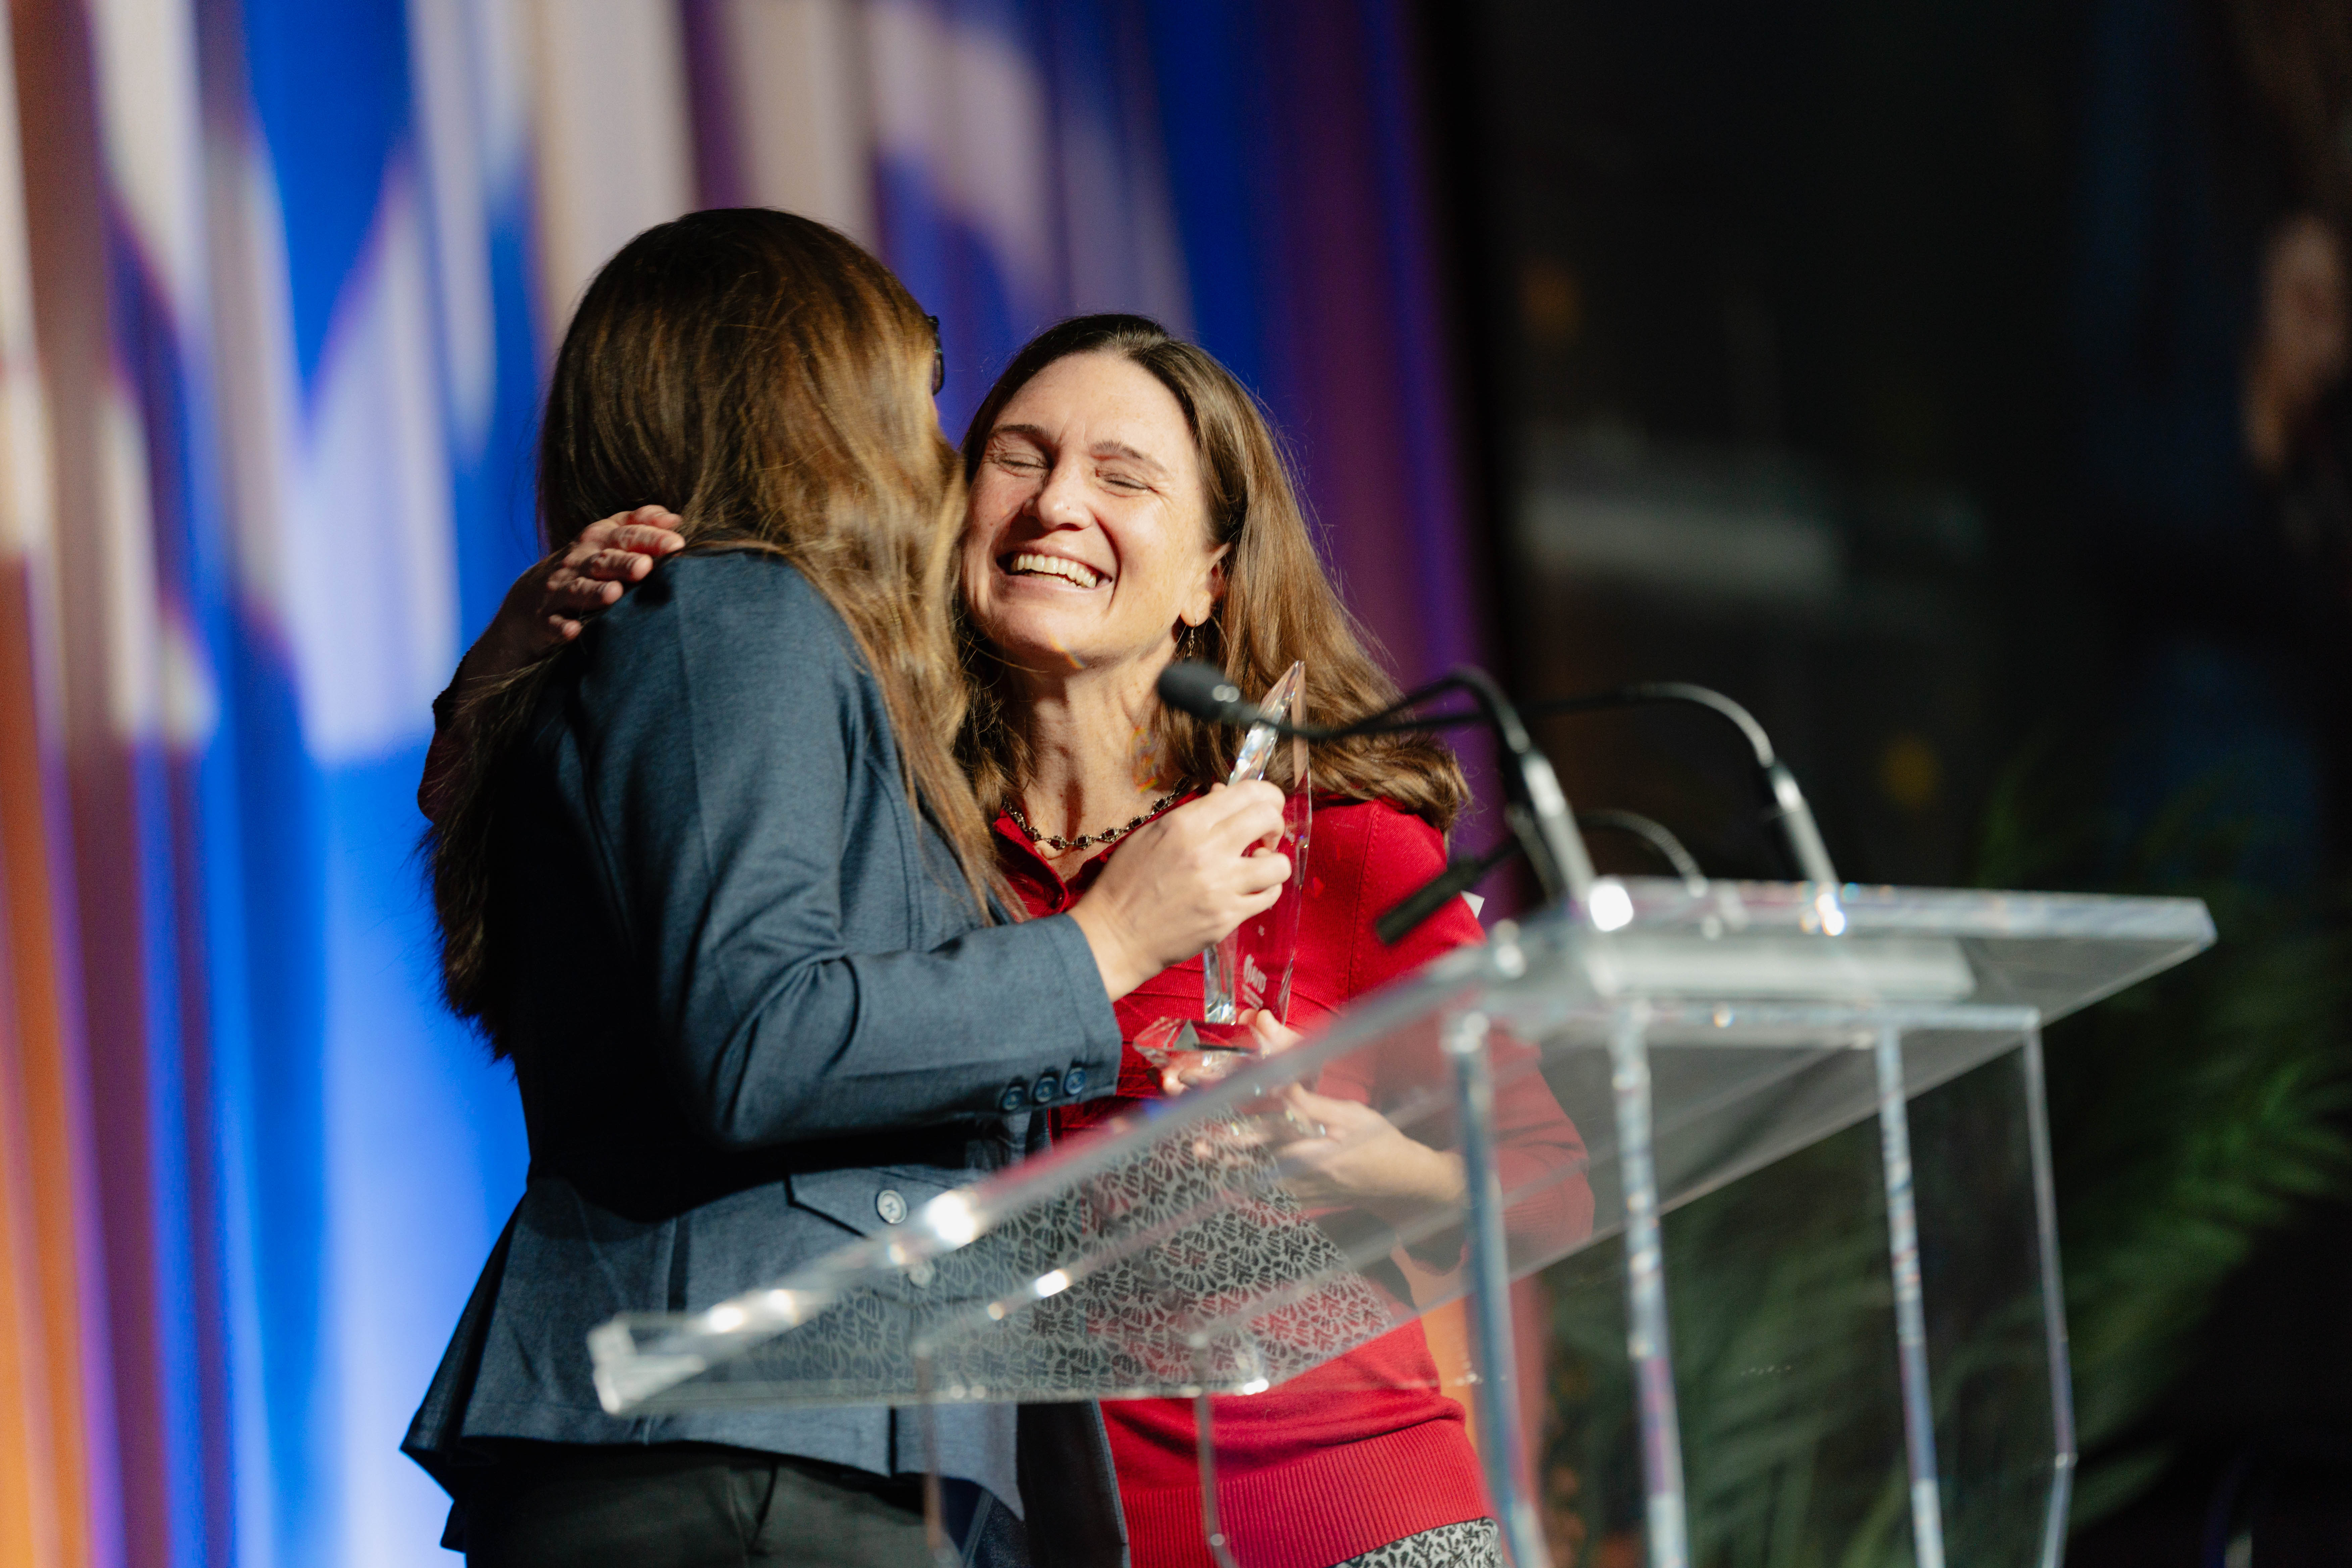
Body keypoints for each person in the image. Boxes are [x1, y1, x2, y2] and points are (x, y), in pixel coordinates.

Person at [439, 311, 1593, 1568]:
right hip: (1020, 1533)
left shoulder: (1332, 848)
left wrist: (1362, 1160)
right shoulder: (903, 841)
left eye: (1122, 477)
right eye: (1020, 459)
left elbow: (1550, 1183)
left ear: (1211, 574)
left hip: (1352, 1525)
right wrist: (504, 673)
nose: (1055, 507)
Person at [404, 215, 1292, 1568]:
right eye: (931, 409)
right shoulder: (734, 617)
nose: (939, 458)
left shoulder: (773, 649)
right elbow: (760, 1040)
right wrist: (1103, 943)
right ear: (823, 402)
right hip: (744, 1449)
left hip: (811, 1444)